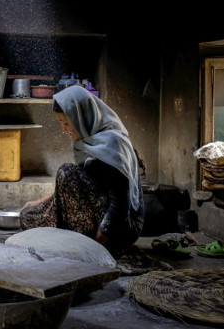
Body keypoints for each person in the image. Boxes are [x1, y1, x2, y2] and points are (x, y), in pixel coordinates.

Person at [20, 85, 145, 256]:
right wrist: (38, 202)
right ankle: (75, 240)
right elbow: (74, 185)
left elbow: (120, 207)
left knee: (67, 172)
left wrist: (94, 248)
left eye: (66, 123)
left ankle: (84, 243)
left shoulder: (113, 144)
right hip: (95, 211)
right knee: (28, 216)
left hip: (119, 228)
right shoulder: (86, 141)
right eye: (60, 123)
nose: (63, 130)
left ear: (81, 117)